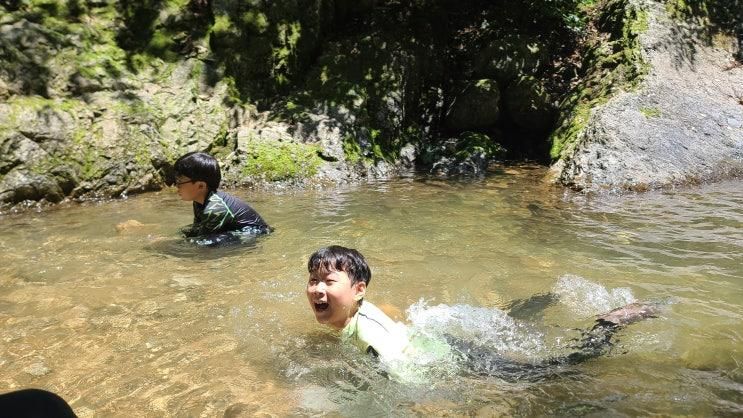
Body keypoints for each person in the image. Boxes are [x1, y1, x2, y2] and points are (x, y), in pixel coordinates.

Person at [305, 245, 659, 381]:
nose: (318, 289)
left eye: (328, 282)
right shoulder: (354, 313)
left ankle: (609, 324)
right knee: (505, 324)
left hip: (455, 358)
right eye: (313, 281)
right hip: (436, 341)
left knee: (554, 371)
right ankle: (547, 296)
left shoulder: (369, 336)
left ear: (358, 290)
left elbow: (400, 375)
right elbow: (392, 314)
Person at [173, 151, 271, 245]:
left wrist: (168, 243)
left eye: (179, 182)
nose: (175, 185)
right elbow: (197, 227)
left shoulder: (215, 208)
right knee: (185, 232)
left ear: (200, 186)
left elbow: (202, 238)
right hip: (233, 229)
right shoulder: (198, 200)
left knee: (206, 243)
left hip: (255, 234)